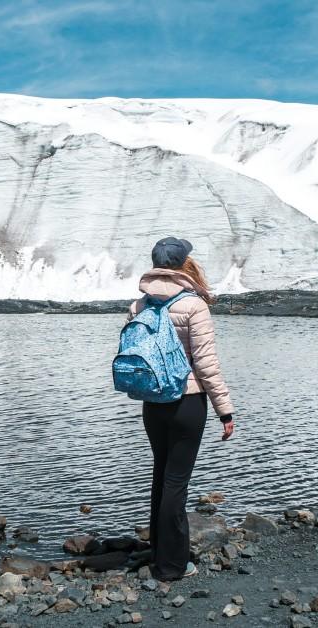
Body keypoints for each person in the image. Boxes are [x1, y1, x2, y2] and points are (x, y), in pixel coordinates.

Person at [126, 236, 235, 581]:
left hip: (152, 402)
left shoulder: (139, 305)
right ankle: (173, 566)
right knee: (177, 482)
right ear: (184, 264)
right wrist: (225, 410)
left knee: (161, 475)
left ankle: (159, 551)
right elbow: (206, 365)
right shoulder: (194, 306)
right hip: (187, 402)